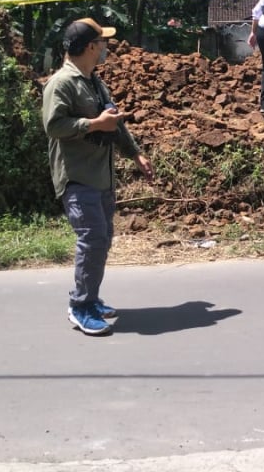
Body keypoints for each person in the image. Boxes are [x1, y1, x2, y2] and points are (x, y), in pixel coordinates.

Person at [42, 17, 153, 336]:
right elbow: (53, 125)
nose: (106, 47)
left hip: (101, 176)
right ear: (91, 46)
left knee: (101, 240)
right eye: (102, 42)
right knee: (91, 240)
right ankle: (80, 306)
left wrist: (135, 154)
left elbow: (113, 122)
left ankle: (90, 298)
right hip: (77, 177)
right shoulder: (61, 83)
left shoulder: (94, 81)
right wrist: (93, 124)